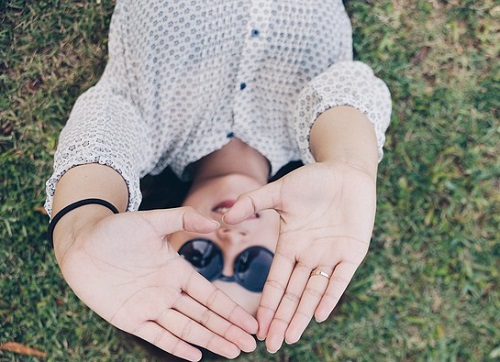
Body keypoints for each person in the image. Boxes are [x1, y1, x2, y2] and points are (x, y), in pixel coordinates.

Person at [45, 1, 391, 361]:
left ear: (163, 242)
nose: (231, 239)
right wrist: (351, 163)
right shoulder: (320, 137)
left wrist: (79, 228)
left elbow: (103, 130)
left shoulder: (147, 129)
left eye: (200, 258)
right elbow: (349, 88)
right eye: (255, 265)